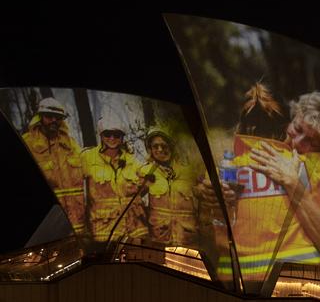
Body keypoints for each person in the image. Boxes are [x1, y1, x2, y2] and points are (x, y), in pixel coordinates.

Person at [203, 85, 320, 289]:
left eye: (312, 142)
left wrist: (292, 183)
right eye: (297, 129)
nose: (297, 142)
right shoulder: (230, 165)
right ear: (289, 119)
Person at [80, 114, 148, 243]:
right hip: (102, 231)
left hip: (134, 231)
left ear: (122, 138)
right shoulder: (87, 157)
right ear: (101, 135)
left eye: (116, 135)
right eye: (108, 134)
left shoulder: (132, 161)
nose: (112, 138)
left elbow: (149, 183)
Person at [22, 97, 86, 234]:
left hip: (76, 224)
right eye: (49, 116)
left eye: (57, 117)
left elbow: (88, 167)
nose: (53, 121)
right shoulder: (27, 143)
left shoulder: (71, 143)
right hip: (46, 223)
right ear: (40, 118)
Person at [138, 127, 200, 247]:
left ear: (172, 147)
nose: (160, 150)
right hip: (159, 240)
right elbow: (132, 202)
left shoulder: (189, 172)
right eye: (155, 146)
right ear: (150, 149)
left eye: (164, 145)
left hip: (187, 241)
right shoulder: (145, 172)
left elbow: (205, 203)